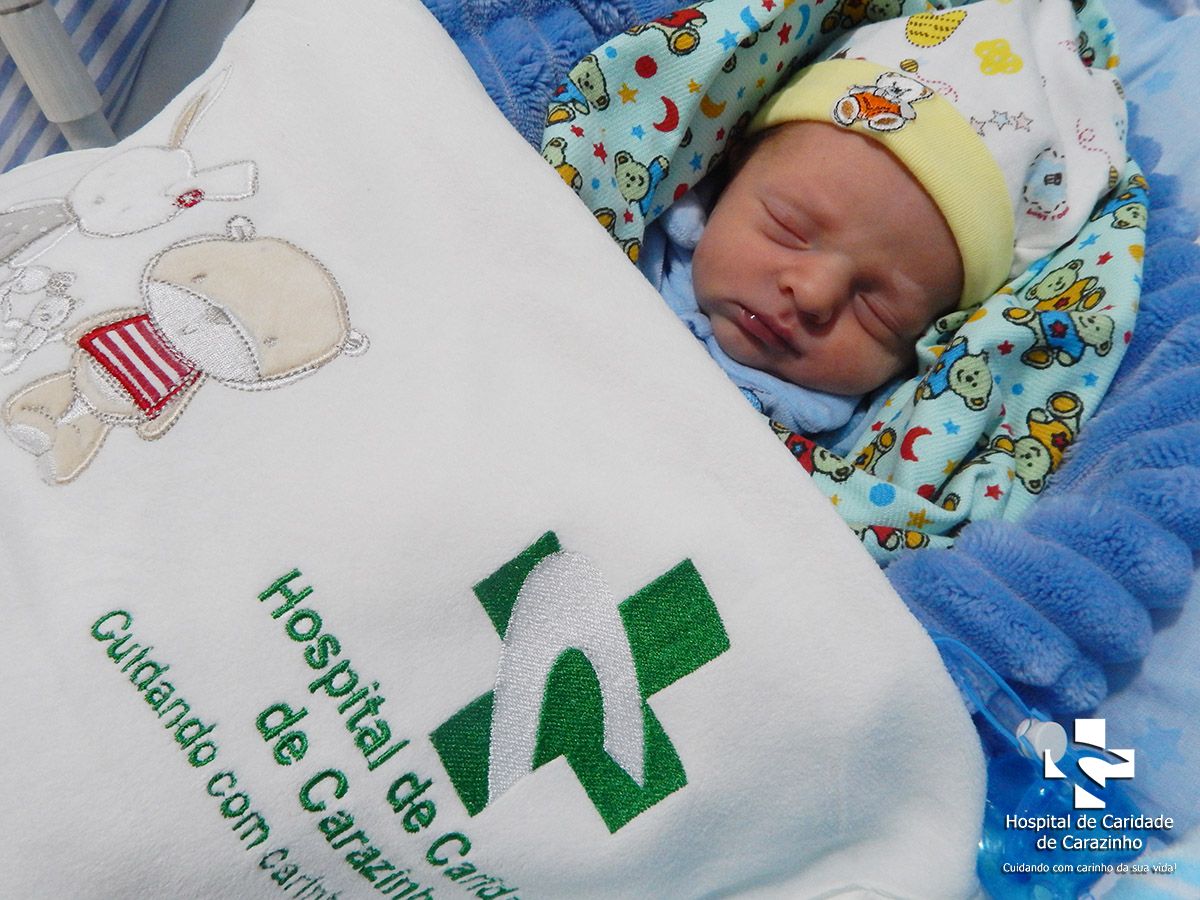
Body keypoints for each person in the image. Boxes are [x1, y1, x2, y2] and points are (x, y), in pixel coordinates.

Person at [638, 0, 1127, 436]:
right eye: (788, 228)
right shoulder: (632, 223)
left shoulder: (871, 443)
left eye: (880, 311)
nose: (812, 294)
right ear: (733, 167)